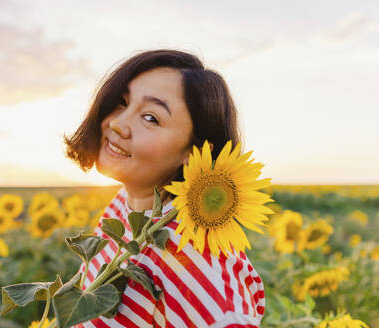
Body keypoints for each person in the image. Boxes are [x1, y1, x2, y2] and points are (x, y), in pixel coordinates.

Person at [64, 49, 265, 327]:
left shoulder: (191, 258)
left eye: (150, 118)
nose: (118, 123)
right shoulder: (127, 204)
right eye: (122, 103)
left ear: (194, 152)